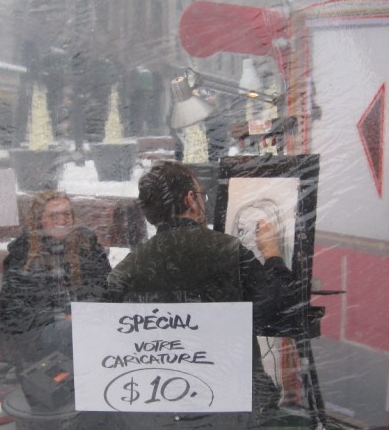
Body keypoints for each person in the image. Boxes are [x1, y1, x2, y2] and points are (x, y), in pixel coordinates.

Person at [108, 161, 296, 411]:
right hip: (230, 406)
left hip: (156, 406)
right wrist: (272, 254)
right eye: (200, 194)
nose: (203, 202)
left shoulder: (129, 267)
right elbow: (279, 309)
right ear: (189, 199)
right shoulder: (227, 251)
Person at [0, 191, 111, 359]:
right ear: (40, 220)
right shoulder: (23, 255)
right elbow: (14, 309)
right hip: (39, 333)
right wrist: (61, 317)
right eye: (53, 216)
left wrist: (85, 311)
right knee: (77, 331)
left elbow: (103, 287)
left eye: (66, 214)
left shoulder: (86, 246)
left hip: (84, 321)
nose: (62, 221)